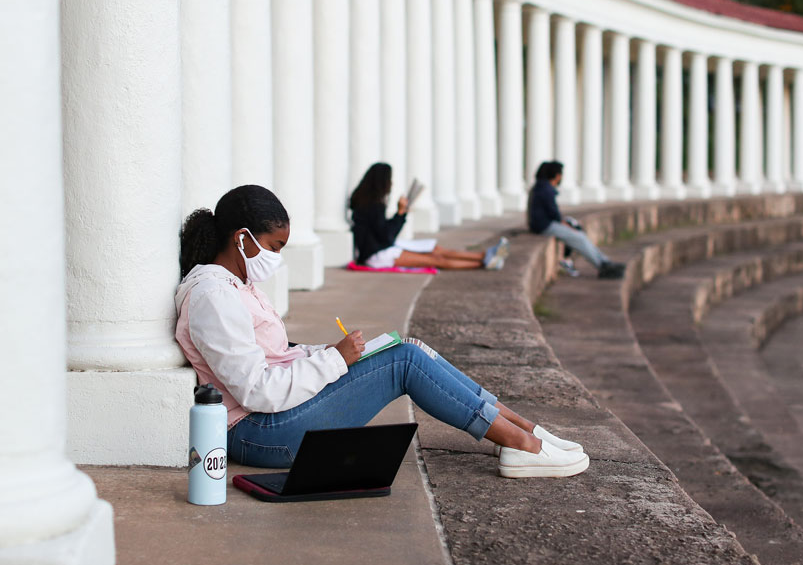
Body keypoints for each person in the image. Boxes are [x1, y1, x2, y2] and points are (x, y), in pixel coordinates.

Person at [175, 184, 589, 478]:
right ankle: (524, 446)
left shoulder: (236, 286)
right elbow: (256, 391)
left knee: (405, 346)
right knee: (405, 362)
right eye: (275, 245)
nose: (278, 257)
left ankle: (522, 431)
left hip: (276, 418)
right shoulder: (213, 296)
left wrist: (334, 354)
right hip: (259, 433)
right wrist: (335, 360)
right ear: (243, 239)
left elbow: (273, 357)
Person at [349, 162, 507, 271]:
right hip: (377, 255)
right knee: (436, 260)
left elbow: (381, 232)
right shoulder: (374, 206)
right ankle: (486, 262)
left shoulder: (366, 203)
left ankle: (484, 255)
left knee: (435, 250)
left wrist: (400, 214)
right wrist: (400, 213)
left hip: (381, 249)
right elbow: (387, 235)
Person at [528, 160, 624, 279]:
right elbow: (554, 214)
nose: (561, 177)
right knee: (579, 237)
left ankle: (604, 262)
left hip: (544, 224)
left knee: (580, 236)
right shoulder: (545, 189)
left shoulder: (541, 187)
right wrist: (568, 226)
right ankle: (602, 265)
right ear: (556, 175)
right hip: (545, 226)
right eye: (560, 174)